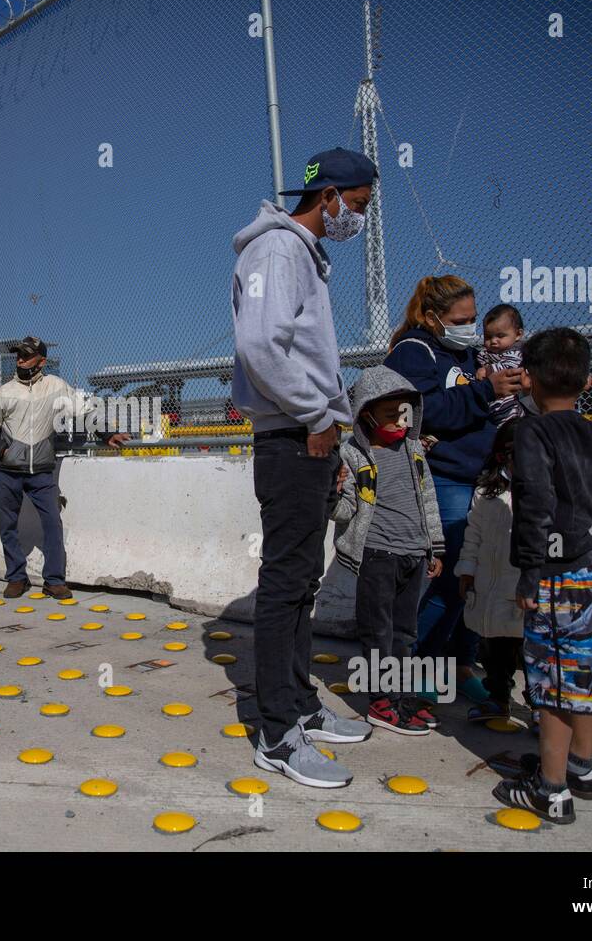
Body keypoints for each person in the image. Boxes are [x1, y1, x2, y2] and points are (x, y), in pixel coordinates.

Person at [232, 147, 376, 789]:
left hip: (310, 434)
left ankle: (300, 705)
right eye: (360, 205)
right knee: (285, 582)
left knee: (302, 582)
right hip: (292, 436)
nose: (359, 219)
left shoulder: (302, 255)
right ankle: (275, 732)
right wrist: (317, 416)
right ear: (331, 196)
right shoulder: (278, 250)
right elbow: (260, 344)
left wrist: (329, 428)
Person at [493, 328, 592, 824]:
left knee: (551, 683)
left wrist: (529, 576)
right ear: (587, 382)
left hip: (556, 578)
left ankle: (550, 789)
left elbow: (534, 506)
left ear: (529, 379)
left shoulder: (532, 433)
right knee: (586, 675)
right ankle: (580, 768)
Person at [384, 276, 525, 709]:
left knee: (477, 579)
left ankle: (460, 664)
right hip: (445, 478)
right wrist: (485, 390)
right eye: (460, 320)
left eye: (472, 319)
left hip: (485, 477)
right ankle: (415, 667)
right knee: (447, 580)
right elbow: (418, 411)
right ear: (432, 318)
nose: (469, 328)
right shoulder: (414, 350)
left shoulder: (467, 353)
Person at [331, 366, 444, 736]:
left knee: (405, 633)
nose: (399, 421)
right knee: (378, 631)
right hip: (378, 556)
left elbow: (427, 500)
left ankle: (401, 695)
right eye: (389, 414)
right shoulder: (352, 455)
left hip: (415, 554)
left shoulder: (414, 451)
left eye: (404, 413)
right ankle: (380, 701)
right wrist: (331, 493)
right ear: (366, 414)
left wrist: (434, 547)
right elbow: (346, 510)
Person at [0, 336, 130, 599]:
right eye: (18, 355)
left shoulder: (56, 387)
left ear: (42, 361)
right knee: (8, 526)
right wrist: (3, 450)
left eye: (26, 355)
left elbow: (84, 411)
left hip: (42, 472)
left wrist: (107, 433)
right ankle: (16, 577)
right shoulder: (4, 392)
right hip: (7, 472)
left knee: (52, 524)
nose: (20, 360)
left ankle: (54, 580)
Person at [455, 418, 525, 722]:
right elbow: (474, 535)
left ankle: (540, 708)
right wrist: (467, 571)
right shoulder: (487, 491)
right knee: (494, 651)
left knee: (530, 655)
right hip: (490, 588)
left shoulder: (543, 493)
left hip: (522, 591)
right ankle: (498, 697)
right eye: (510, 454)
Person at [476, 304, 526, 424]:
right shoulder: (487, 353)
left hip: (512, 407)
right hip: (493, 407)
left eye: (500, 336)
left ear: (518, 334)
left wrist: (487, 370)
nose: (493, 341)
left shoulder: (517, 352)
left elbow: (510, 367)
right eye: (488, 337)